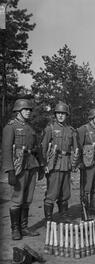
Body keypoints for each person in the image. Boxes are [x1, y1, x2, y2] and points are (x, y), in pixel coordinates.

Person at [2, 99, 43, 240]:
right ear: (18, 111)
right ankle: (15, 229)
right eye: (25, 109)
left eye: (29, 110)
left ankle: (24, 227)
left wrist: (41, 165)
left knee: (28, 199)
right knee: (17, 199)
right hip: (19, 167)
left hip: (31, 165)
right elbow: (7, 150)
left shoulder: (30, 128)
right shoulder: (10, 127)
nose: (28, 112)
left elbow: (37, 149)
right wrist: (10, 171)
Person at [42, 101, 80, 221]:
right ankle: (49, 219)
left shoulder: (71, 130)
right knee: (52, 193)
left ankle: (63, 216)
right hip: (54, 164)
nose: (60, 116)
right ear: (55, 114)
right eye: (58, 113)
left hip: (66, 164)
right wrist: (44, 164)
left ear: (66, 115)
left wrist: (74, 164)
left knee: (65, 193)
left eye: (63, 113)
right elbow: (43, 148)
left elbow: (76, 148)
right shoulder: (50, 129)